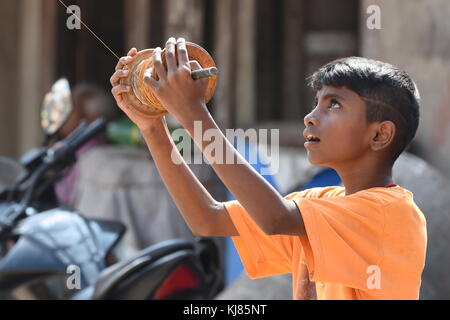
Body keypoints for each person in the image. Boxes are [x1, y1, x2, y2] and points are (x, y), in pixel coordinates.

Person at [110, 38, 427, 300]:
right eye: (316, 103)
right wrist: (153, 128)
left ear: (379, 135)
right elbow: (207, 219)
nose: (311, 117)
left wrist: (192, 112)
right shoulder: (322, 202)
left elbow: (274, 218)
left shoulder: (390, 213)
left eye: (334, 105)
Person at [55, 83, 117, 205]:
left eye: (71, 109)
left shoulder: (90, 154)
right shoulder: (70, 148)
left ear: (93, 119)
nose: (63, 114)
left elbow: (67, 196)